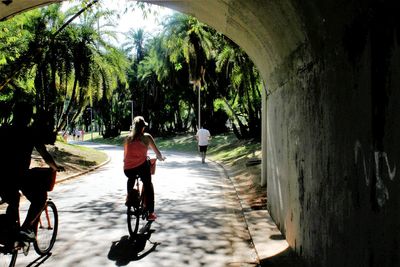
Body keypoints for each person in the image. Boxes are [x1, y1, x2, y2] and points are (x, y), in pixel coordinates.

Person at [0, 102, 63, 242]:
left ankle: (10, 231)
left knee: (13, 199)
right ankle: (26, 228)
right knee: (40, 199)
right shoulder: (30, 133)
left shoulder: (3, 130)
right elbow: (45, 156)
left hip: (2, 177)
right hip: (19, 176)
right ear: (28, 117)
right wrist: (55, 167)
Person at [123, 116, 165, 221]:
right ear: (143, 128)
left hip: (127, 169)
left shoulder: (128, 138)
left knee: (131, 178)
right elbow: (157, 153)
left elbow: (125, 155)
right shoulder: (147, 137)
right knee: (148, 184)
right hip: (141, 167)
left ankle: (129, 196)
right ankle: (151, 213)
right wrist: (160, 158)